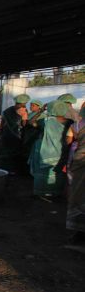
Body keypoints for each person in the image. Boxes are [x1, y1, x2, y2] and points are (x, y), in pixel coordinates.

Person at [28, 100, 73, 198]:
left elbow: (31, 122)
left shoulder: (46, 121)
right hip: (60, 152)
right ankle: (56, 192)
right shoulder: (70, 122)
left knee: (42, 173)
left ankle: (41, 192)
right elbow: (69, 139)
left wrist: (40, 111)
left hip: (45, 152)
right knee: (58, 174)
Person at [66, 105, 85, 245]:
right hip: (80, 161)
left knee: (78, 193)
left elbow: (69, 140)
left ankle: (78, 231)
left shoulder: (77, 125)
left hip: (80, 161)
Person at [0, 94, 29, 173]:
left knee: (6, 153)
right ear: (23, 103)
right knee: (15, 154)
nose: (25, 105)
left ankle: (4, 171)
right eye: (25, 103)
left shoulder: (7, 110)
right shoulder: (23, 110)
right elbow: (24, 124)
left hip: (6, 135)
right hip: (16, 135)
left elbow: (2, 123)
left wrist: (1, 132)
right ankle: (14, 171)